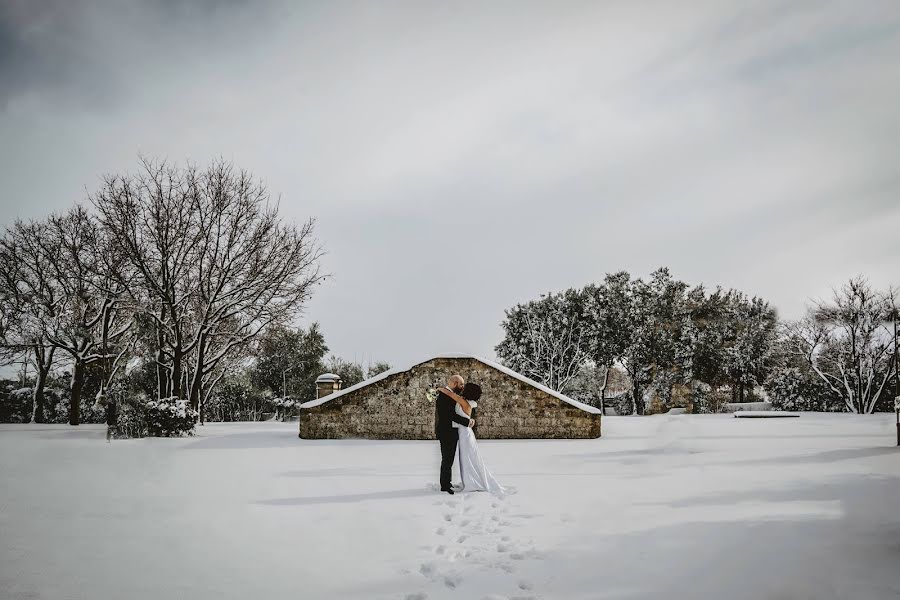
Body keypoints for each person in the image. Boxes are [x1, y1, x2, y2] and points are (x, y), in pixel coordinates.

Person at [438, 382, 507, 495]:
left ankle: (473, 482)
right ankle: (469, 480)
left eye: (464, 387)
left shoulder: (464, 402)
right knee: (466, 460)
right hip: (462, 433)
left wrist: (441, 389)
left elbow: (451, 395)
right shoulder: (466, 402)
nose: (462, 388)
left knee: (468, 460)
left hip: (465, 434)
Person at [434, 375, 474, 494]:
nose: (462, 387)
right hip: (446, 432)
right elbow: (449, 415)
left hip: (451, 432)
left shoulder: (449, 394)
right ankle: (444, 485)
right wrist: (467, 422)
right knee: (447, 459)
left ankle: (447, 482)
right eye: (461, 384)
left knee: (449, 459)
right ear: (455, 383)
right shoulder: (443, 395)